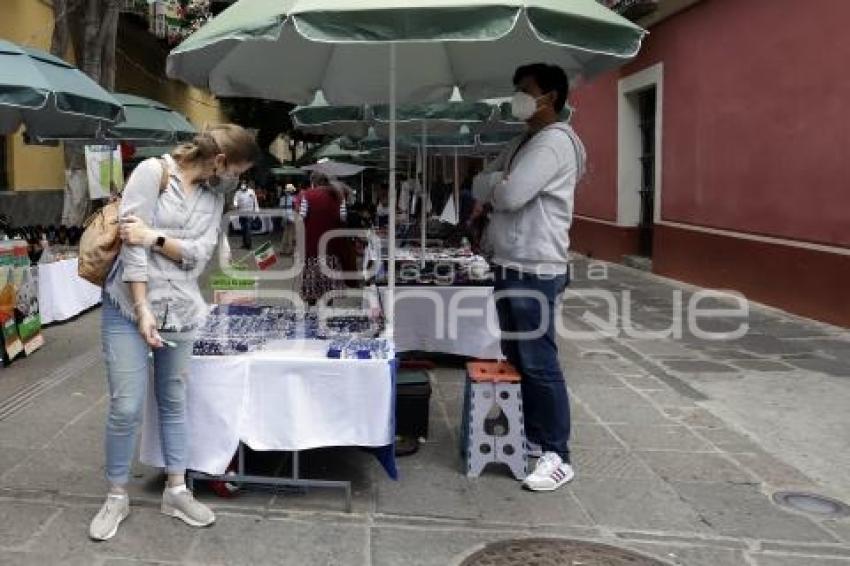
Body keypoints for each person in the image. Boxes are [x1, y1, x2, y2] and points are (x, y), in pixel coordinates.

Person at [91, 124, 259, 541]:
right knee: (127, 406)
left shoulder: (214, 197)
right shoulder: (153, 172)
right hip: (128, 306)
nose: (237, 180)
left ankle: (177, 489)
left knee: (174, 401)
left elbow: (199, 257)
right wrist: (143, 306)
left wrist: (156, 237)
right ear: (220, 161)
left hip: (183, 310)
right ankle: (116, 495)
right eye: (237, 170)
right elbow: (131, 245)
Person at [474, 63, 586, 492]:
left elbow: (510, 193)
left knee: (539, 361)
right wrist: (495, 183)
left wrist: (498, 186)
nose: (518, 97)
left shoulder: (554, 143)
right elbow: (481, 181)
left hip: (536, 266)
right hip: (510, 261)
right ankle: (535, 438)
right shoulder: (524, 141)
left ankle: (558, 453)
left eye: (525, 90)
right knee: (517, 356)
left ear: (551, 97)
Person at [294, 172, 348, 304]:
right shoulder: (338, 196)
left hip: (312, 244)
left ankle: (312, 306)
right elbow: (343, 217)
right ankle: (328, 305)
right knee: (329, 278)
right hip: (331, 245)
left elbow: (301, 218)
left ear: (313, 182)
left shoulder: (307, 195)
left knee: (312, 275)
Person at [233, 179, 259, 249]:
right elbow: (235, 200)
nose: (243, 185)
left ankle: (249, 245)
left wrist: (256, 212)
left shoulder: (251, 192)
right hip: (241, 213)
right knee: (243, 229)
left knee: (248, 229)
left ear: (247, 185)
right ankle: (244, 244)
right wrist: (235, 205)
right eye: (242, 184)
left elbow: (255, 202)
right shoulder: (238, 193)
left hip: (249, 213)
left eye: (244, 184)